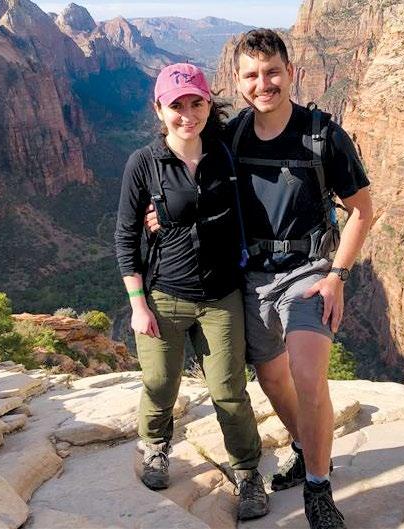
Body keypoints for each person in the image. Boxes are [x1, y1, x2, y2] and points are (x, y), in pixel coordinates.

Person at [146, 30, 373, 529]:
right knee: (271, 379)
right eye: (251, 75)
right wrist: (163, 213)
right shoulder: (232, 136)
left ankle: (318, 488)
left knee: (308, 376)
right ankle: (305, 447)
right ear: (238, 80)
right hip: (250, 275)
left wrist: (337, 276)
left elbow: (362, 210)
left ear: (291, 72)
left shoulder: (323, 135)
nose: (263, 83)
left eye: (272, 72)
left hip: (308, 273)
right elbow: (187, 171)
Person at [114, 62, 269, 521]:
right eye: (176, 105)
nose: (187, 114)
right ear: (159, 110)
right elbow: (125, 237)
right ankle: (155, 446)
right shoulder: (144, 163)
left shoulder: (226, 154)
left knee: (229, 391)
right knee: (160, 383)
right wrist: (138, 304)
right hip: (164, 296)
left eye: (195, 103)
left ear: (208, 103)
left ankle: (247, 472)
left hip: (221, 298)